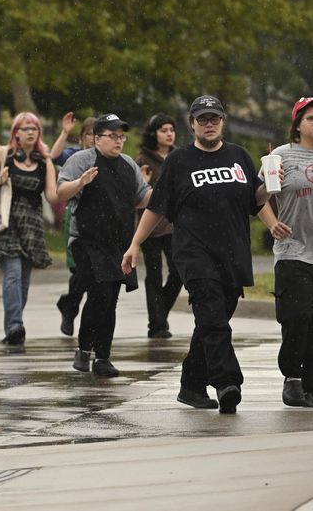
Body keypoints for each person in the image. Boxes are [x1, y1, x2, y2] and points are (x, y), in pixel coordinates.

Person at [122, 95, 273, 414]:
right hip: (193, 253)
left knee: (213, 319)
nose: (208, 124)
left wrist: (271, 185)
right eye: (202, 119)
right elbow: (157, 207)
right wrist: (135, 243)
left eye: (214, 119)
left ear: (223, 122)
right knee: (214, 317)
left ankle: (191, 384)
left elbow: (254, 201)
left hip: (233, 253)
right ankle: (226, 382)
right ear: (192, 124)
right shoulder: (179, 161)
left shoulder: (239, 156)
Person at [57, 113, 151, 377]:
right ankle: (86, 350)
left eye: (121, 136)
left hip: (119, 244)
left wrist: (165, 194)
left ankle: (101, 357)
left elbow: (142, 197)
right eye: (112, 136)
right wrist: (81, 182)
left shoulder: (128, 164)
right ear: (97, 138)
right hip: (86, 240)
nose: (118, 141)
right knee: (101, 294)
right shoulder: (81, 160)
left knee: (110, 300)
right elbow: (60, 192)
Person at [0, 112, 58, 346]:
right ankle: (15, 326)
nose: (30, 132)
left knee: (23, 278)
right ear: (16, 133)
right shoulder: (3, 154)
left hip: (31, 225)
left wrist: (78, 185)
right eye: (24, 128)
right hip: (5, 222)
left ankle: (14, 324)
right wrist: (0, 180)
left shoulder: (45, 162)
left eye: (34, 128)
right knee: (12, 273)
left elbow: (52, 195)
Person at [256, 97, 313, 407]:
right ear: (297, 124)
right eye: (311, 118)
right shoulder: (281, 156)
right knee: (297, 317)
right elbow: (257, 197)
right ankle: (292, 378)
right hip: (293, 251)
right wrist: (272, 223)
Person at [136, 114, 182, 339]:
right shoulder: (143, 159)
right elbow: (137, 194)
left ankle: (158, 315)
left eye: (171, 129)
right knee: (153, 274)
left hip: (175, 226)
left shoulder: (180, 157)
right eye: (164, 130)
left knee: (179, 272)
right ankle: (157, 326)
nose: (169, 133)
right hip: (151, 227)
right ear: (154, 133)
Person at [54, 117, 96, 336]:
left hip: (101, 222)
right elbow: (54, 156)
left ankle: (71, 306)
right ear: (82, 137)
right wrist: (64, 132)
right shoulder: (74, 156)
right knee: (80, 270)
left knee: (93, 274)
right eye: (88, 134)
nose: (92, 139)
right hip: (77, 218)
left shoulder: (109, 158)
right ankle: (70, 307)